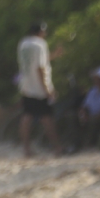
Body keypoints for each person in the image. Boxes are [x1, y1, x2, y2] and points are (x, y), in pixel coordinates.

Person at [17, 22, 59, 157]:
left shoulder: (23, 43)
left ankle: (26, 149)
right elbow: (40, 67)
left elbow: (35, 61)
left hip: (26, 86)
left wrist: (54, 55)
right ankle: (57, 148)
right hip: (39, 89)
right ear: (40, 32)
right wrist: (47, 89)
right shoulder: (40, 44)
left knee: (26, 117)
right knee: (47, 118)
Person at [76, 66, 100, 150]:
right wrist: (82, 113)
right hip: (91, 114)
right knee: (74, 117)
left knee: (93, 121)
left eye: (96, 78)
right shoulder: (92, 90)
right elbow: (85, 105)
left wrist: (91, 117)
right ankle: (77, 144)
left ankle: (91, 144)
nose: (94, 80)